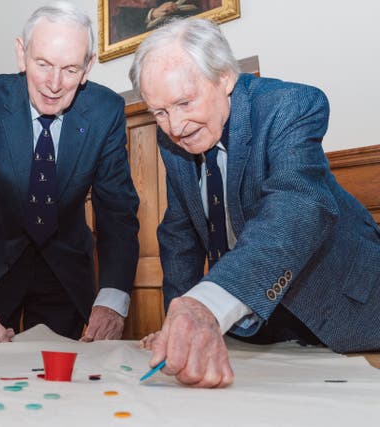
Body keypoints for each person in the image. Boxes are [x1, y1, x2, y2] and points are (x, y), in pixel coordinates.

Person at [129, 18, 380, 388]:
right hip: (257, 324)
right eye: (160, 112)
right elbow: (179, 234)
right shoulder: (175, 140)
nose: (175, 126)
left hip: (345, 309)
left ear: (225, 78)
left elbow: (298, 207)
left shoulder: (290, 105)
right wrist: (179, 325)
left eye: (184, 102)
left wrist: (207, 306)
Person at [0, 1, 140, 344]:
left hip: (64, 270)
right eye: (43, 64)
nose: (54, 83)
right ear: (22, 54)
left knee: (61, 383)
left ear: (89, 66)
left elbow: (117, 211)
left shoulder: (106, 111)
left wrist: (112, 300)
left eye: (71, 69)